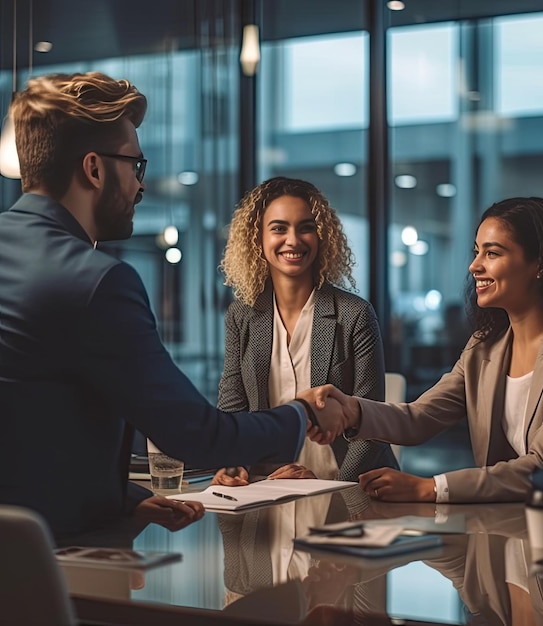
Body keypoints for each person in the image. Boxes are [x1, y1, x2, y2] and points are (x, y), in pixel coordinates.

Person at [0, 72, 347, 539]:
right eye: (135, 166)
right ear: (94, 169)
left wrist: (126, 497)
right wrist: (302, 414)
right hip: (51, 566)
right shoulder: (97, 281)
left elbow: (28, 429)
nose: (140, 187)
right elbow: (196, 436)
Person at [303, 197, 543, 503]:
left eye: (493, 253)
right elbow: (420, 418)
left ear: (539, 264)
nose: (474, 266)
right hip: (506, 517)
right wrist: (350, 410)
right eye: (476, 252)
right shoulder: (485, 346)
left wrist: (433, 487)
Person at [212, 176, 398, 487]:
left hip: (345, 486)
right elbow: (233, 410)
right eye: (279, 228)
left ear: (322, 236)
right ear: (257, 238)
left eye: (306, 227)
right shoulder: (241, 316)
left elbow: (372, 426)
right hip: (265, 486)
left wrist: (328, 484)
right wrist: (233, 465)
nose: (293, 240)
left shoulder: (355, 315)